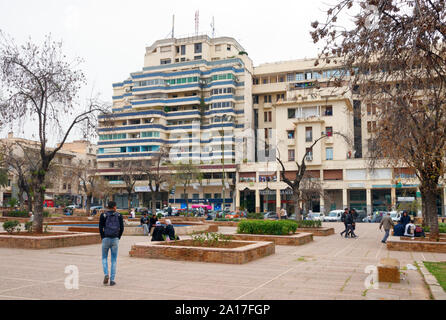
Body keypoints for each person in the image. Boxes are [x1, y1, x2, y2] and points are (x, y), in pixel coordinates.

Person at [99, 201, 124, 286]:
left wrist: (103, 237)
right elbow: (122, 228)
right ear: (114, 207)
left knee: (104, 258)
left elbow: (100, 227)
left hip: (106, 238)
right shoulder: (119, 215)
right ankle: (112, 280)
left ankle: (106, 274)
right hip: (115, 239)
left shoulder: (103, 215)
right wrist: (118, 237)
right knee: (114, 260)